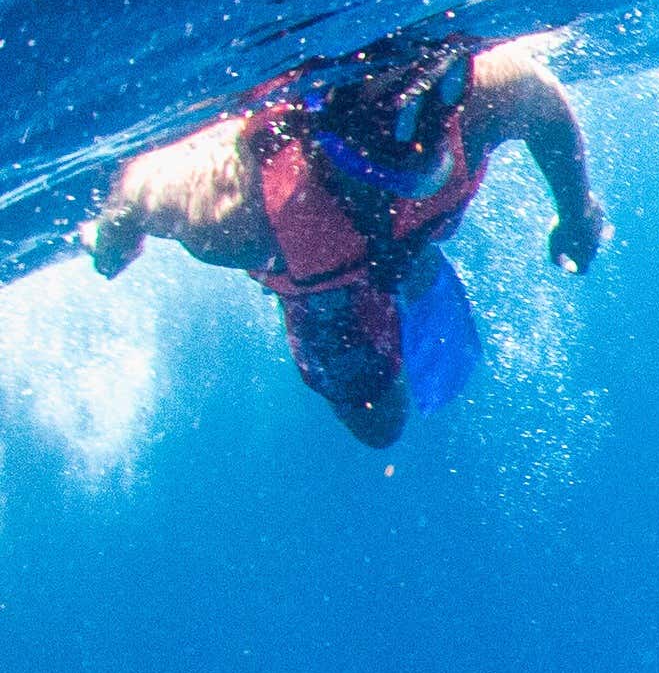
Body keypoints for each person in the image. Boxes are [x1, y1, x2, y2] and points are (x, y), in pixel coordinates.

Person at [80, 32, 602, 449]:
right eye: (387, 161)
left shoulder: (483, 95)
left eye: (428, 126)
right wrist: (114, 231)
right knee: (379, 426)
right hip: (319, 281)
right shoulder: (240, 213)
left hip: (383, 239)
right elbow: (142, 186)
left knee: (407, 253)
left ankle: (407, 259)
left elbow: (542, 102)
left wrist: (577, 209)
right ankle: (398, 265)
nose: (414, 149)